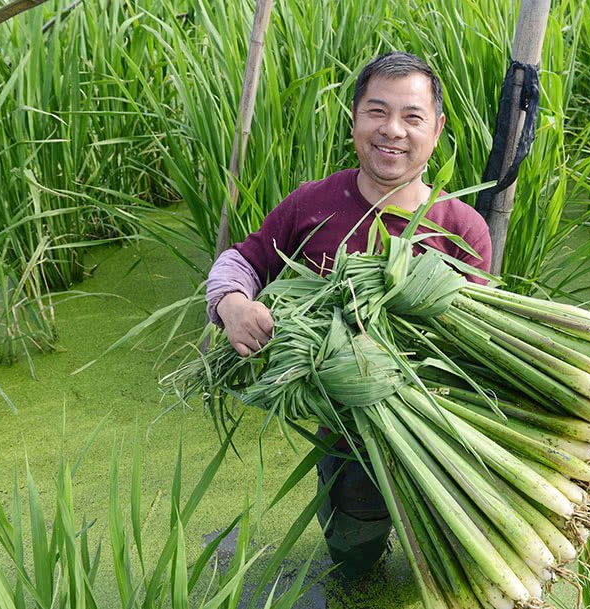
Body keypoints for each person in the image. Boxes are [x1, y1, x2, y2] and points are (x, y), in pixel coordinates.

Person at [205, 51, 492, 580]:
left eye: (412, 117)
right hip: (345, 439)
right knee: (353, 557)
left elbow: (467, 347)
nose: (393, 131)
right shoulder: (312, 206)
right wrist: (233, 304)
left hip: (438, 438)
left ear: (437, 128)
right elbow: (242, 261)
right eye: (377, 112)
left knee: (448, 563)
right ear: (355, 117)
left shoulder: (461, 227)